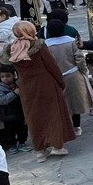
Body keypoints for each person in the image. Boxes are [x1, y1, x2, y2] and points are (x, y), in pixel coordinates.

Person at [8, 21, 75, 162]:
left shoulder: (12, 48)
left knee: (33, 117)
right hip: (45, 83)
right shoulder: (38, 46)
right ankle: (57, 146)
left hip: (25, 86)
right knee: (52, 113)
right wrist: (60, 81)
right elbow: (51, 65)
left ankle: (39, 150)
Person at [43, 17, 93, 136]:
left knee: (61, 103)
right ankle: (77, 127)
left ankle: (65, 127)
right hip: (73, 75)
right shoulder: (70, 41)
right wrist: (84, 71)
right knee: (74, 102)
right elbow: (79, 58)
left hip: (55, 77)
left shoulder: (46, 45)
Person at [0, 65, 29, 153]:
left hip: (19, 112)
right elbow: (0, 100)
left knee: (22, 129)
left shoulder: (17, 84)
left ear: (14, 75)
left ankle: (22, 143)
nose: (5, 79)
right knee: (10, 131)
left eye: (8, 76)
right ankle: (12, 145)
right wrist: (14, 94)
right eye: (3, 77)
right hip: (7, 114)